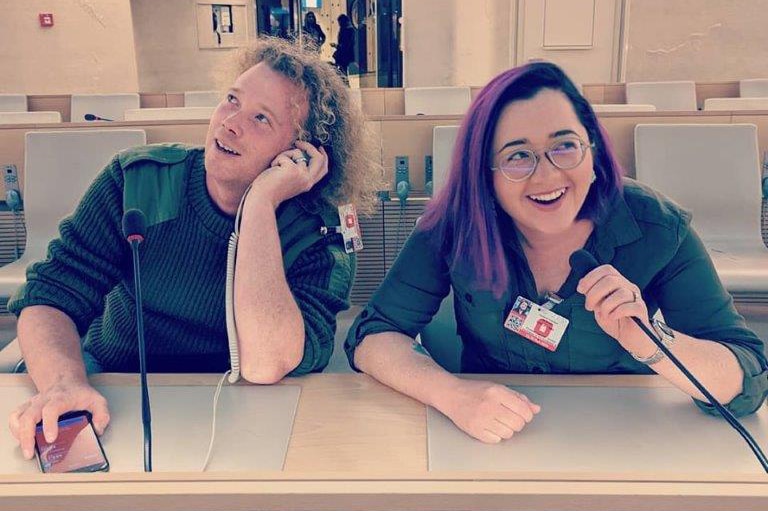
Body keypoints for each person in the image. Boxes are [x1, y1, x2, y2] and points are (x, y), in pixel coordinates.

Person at [346, 62, 768, 444]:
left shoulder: (657, 228)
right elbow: (372, 336)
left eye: (564, 146)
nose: (546, 174)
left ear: (593, 150)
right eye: (517, 156)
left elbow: (747, 375)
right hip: (491, 438)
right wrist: (452, 395)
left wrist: (653, 342)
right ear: (484, 172)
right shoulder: (455, 225)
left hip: (624, 439)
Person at [8, 37, 381, 460]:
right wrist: (64, 382)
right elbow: (51, 294)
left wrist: (259, 205)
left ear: (300, 155)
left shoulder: (321, 231)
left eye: (261, 118)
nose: (230, 124)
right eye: (231, 100)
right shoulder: (137, 179)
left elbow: (265, 364)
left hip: (247, 412)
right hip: (117, 389)